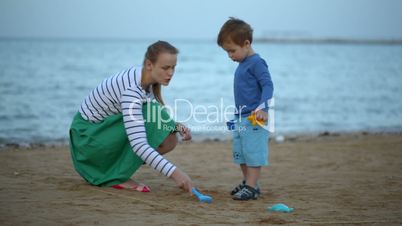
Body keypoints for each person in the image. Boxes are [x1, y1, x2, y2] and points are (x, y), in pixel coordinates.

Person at [69, 41, 194, 194]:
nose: (171, 73)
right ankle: (115, 175)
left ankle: (117, 170)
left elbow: (155, 118)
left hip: (97, 137)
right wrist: (175, 174)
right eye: (165, 68)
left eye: (173, 67)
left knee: (168, 135)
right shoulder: (132, 90)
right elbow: (138, 144)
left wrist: (176, 126)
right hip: (87, 143)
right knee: (155, 116)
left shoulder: (145, 80)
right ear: (149, 64)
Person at [217, 18, 274, 200]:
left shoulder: (257, 63)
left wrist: (263, 107)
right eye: (227, 52)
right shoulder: (242, 64)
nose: (230, 55)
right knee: (240, 152)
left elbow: (268, 85)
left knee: (253, 152)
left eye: (232, 50)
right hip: (241, 116)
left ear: (247, 43)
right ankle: (249, 182)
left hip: (256, 117)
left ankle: (251, 187)